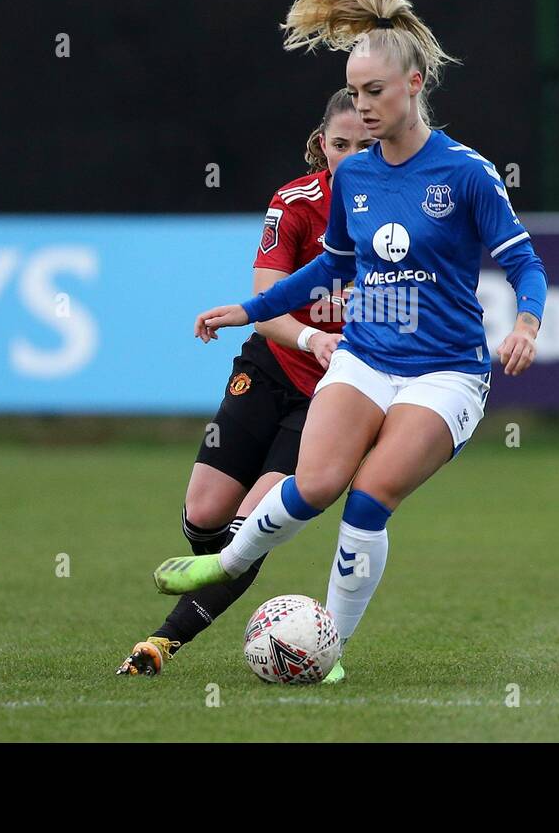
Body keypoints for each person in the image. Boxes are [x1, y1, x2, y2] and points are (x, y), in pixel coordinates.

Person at [152, 0, 548, 683]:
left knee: (367, 501)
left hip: (446, 374)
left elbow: (526, 263)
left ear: (414, 86)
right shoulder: (357, 176)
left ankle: (326, 648)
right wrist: (252, 307)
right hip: (365, 358)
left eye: (374, 92)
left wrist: (525, 323)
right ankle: (223, 562)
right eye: (356, 94)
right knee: (314, 483)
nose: (363, 107)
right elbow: (329, 266)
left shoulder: (466, 173)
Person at [116, 88, 372, 676]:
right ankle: (247, 590)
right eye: (340, 145)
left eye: (365, 144)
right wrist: (314, 338)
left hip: (333, 395)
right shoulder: (296, 203)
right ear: (321, 145)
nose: (352, 157)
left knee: (249, 524)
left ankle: (162, 642)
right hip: (270, 366)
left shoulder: (402, 215)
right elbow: (270, 301)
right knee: (204, 516)